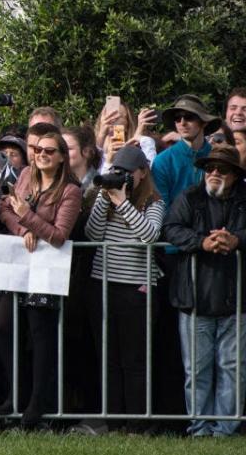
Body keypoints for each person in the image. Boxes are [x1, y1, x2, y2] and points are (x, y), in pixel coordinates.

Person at [0, 131, 82, 427]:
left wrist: (29, 218)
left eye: (48, 151)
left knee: (40, 333)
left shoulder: (70, 190)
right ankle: (15, 393)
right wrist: (23, 230)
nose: (41, 155)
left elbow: (59, 235)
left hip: (47, 267)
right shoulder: (25, 176)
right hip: (19, 262)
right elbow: (5, 208)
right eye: (37, 150)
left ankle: (37, 402)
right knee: (3, 324)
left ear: (61, 157)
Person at [162, 144, 246, 437]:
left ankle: (225, 429)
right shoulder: (191, 196)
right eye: (209, 168)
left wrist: (236, 240)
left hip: (236, 298)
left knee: (232, 367)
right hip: (194, 297)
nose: (213, 173)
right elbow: (170, 228)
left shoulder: (244, 199)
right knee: (196, 370)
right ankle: (199, 427)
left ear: (235, 174)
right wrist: (202, 242)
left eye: (221, 169)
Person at [82, 145, 165, 432]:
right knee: (109, 359)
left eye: (128, 172)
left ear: (142, 173)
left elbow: (150, 236)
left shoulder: (153, 202)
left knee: (134, 360)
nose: (122, 177)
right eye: (117, 171)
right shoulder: (105, 198)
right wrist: (106, 198)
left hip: (136, 290)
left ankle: (137, 423)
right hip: (102, 285)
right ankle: (114, 421)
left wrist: (124, 204)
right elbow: (92, 235)